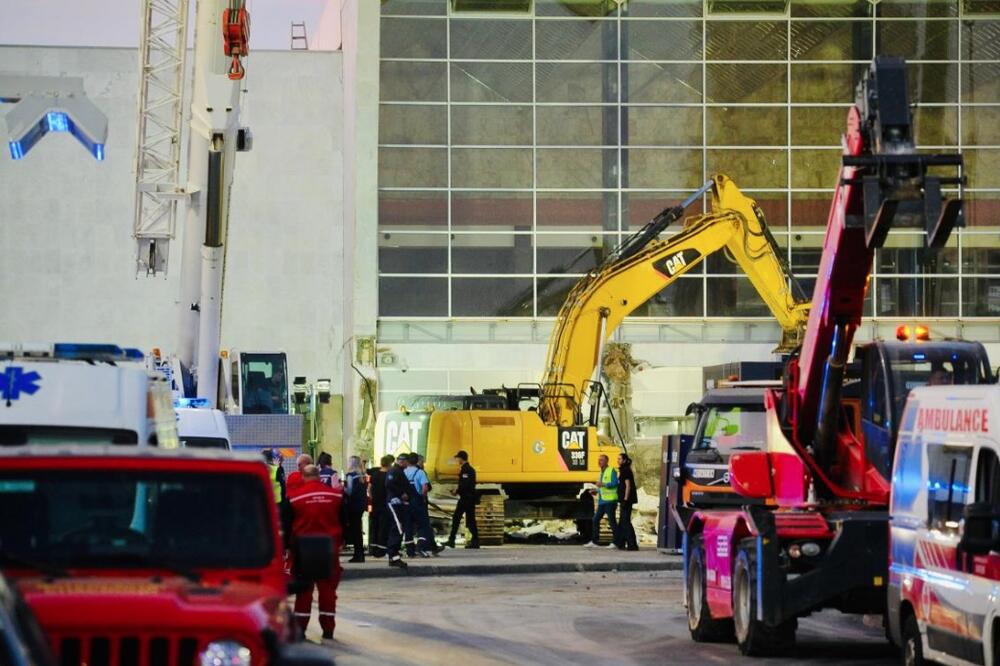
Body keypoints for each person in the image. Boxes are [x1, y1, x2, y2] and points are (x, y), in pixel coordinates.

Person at [288, 464, 343, 641]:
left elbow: (288, 525)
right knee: (327, 591)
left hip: (304, 550)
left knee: (304, 592)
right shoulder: (336, 496)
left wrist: (288, 547)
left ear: (303, 476)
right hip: (329, 550)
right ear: (319, 476)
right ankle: (328, 630)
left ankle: (300, 630)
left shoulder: (294, 498)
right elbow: (345, 521)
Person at [405, 453, 442, 557]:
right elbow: (425, 487)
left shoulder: (403, 472)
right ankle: (420, 547)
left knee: (408, 527)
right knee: (423, 526)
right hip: (418, 503)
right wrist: (423, 496)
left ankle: (409, 551)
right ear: (417, 461)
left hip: (407, 504)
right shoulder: (420, 472)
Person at [446, 450, 479, 549]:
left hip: (466, 498)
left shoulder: (466, 470)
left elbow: (465, 484)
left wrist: (456, 491)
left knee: (458, 518)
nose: (457, 460)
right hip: (468, 498)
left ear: (461, 458)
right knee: (469, 520)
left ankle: (452, 540)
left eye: (458, 458)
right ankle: (475, 541)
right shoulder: (469, 469)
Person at [584, 454, 618, 548]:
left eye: (602, 460)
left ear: (607, 461)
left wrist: (602, 484)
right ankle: (595, 542)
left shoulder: (611, 470)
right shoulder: (601, 472)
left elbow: (615, 483)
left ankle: (616, 542)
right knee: (595, 520)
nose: (599, 462)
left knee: (612, 522)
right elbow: (602, 488)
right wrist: (596, 491)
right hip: (602, 501)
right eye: (599, 460)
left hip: (610, 501)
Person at [385, 454, 412, 568]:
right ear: (402, 462)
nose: (407, 464)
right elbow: (389, 484)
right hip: (394, 503)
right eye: (406, 462)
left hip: (398, 504)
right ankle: (393, 556)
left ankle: (394, 556)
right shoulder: (394, 471)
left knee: (398, 529)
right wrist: (401, 494)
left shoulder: (399, 471)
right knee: (398, 529)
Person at [343, 456, 368, 563]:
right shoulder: (361, 475)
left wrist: (342, 488)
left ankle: (358, 555)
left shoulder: (351, 475)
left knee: (355, 530)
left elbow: (349, 491)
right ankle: (360, 553)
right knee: (358, 529)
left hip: (353, 505)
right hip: (361, 505)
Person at [614, 453, 639, 551]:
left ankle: (632, 544)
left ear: (624, 460)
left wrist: (625, 499)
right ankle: (621, 543)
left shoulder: (626, 471)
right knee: (622, 521)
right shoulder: (624, 470)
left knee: (626, 522)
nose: (618, 460)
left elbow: (628, 486)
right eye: (618, 459)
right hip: (624, 499)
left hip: (626, 500)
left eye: (620, 459)